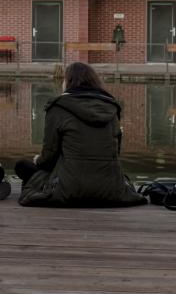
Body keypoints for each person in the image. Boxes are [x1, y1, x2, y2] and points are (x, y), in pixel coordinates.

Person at [16, 62, 145, 207]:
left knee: (22, 166)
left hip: (69, 187)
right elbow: (115, 152)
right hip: (111, 187)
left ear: (69, 82)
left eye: (64, 79)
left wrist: (37, 160)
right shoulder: (112, 108)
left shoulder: (58, 107)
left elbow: (49, 157)